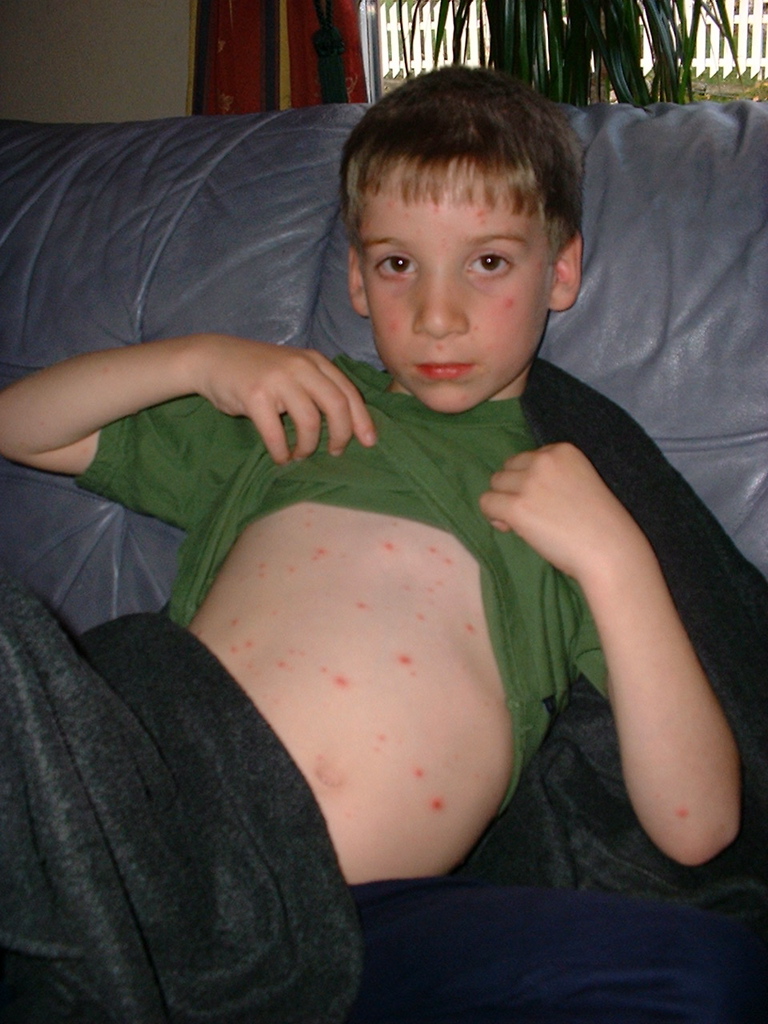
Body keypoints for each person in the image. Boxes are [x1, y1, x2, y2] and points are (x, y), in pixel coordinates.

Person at [0, 67, 766, 1022]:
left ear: (560, 271)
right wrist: (196, 359)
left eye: (489, 262)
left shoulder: (572, 501)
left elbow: (698, 828)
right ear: (358, 280)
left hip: (351, 938)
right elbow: (20, 426)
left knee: (705, 975)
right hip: (144, 825)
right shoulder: (304, 416)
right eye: (399, 263)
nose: (437, 315)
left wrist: (615, 561)